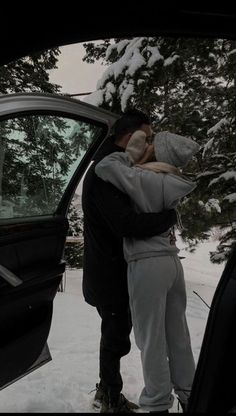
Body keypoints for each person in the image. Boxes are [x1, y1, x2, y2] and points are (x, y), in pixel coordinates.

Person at [95, 129, 200, 413]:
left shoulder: (144, 179)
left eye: (152, 143)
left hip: (147, 263)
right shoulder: (170, 180)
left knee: (150, 338)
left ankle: (156, 403)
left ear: (156, 152)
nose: (146, 144)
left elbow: (104, 167)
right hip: (171, 263)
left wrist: (129, 154)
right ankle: (191, 394)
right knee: (177, 335)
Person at [81, 109, 178, 413]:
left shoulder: (117, 167)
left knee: (114, 335)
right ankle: (109, 398)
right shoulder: (106, 171)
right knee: (115, 338)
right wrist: (168, 217)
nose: (149, 143)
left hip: (112, 270)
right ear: (130, 135)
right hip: (109, 275)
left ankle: (106, 392)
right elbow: (125, 224)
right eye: (146, 136)